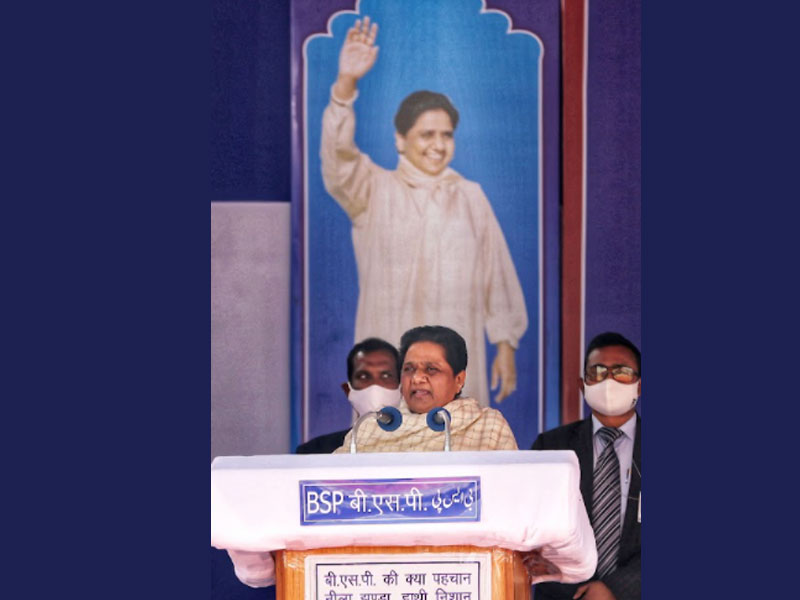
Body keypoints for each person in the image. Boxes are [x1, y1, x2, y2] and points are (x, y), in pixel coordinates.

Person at [320, 16, 528, 407]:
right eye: (426, 134)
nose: (438, 144)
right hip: (391, 364)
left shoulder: (470, 196)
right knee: (389, 437)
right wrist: (346, 83)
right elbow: (337, 157)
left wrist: (505, 345)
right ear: (400, 140)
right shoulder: (372, 189)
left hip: (454, 366)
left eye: (446, 134)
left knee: (461, 437)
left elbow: (496, 271)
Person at [530, 332, 641, 600]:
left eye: (622, 372)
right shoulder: (551, 447)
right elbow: (533, 533)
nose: (609, 381)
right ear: (582, 385)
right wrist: (581, 592)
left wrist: (614, 589)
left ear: (639, 385)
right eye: (597, 372)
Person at [334, 325, 518, 453]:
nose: (417, 378)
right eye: (409, 369)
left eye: (431, 369)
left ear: (459, 380)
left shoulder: (488, 426)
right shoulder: (370, 427)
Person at [296, 337, 401, 454]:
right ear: (348, 390)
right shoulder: (315, 452)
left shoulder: (414, 447)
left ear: (401, 388)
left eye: (386, 376)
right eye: (363, 376)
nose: (375, 386)